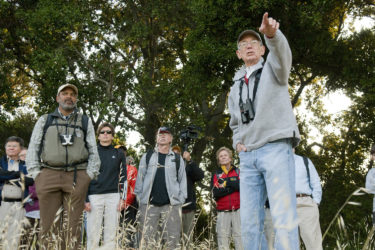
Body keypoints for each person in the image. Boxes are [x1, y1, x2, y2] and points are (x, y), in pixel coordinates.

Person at [228, 12, 300, 250]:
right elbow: (235, 122)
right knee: (249, 223)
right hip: (248, 156)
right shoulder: (235, 86)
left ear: (261, 50)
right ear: (238, 54)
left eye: (254, 43)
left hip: (275, 147)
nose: (249, 47)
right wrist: (238, 142)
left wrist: (272, 35)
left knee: (283, 217)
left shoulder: (273, 69)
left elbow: (281, 53)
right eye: (243, 45)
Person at [26, 84, 100, 249]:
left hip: (77, 176)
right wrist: (37, 175)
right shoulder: (45, 120)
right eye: (65, 93)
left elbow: (93, 150)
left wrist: (89, 175)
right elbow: (33, 148)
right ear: (58, 97)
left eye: (73, 94)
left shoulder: (85, 121)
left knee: (73, 227)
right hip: (49, 174)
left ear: (76, 99)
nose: (69, 97)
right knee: (48, 225)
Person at [134, 127, 187, 249]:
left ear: (171, 138)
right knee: (146, 242)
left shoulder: (177, 159)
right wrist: (141, 199)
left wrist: (180, 200)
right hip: (148, 206)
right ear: (156, 138)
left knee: (172, 242)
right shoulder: (147, 156)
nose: (162, 136)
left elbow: (182, 181)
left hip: (171, 206)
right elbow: (140, 180)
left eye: (166, 134)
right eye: (160, 134)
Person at [84, 122, 127, 249]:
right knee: (93, 233)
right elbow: (84, 176)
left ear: (113, 136)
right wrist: (85, 199)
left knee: (111, 233)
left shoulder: (119, 153)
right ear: (98, 136)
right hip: (94, 196)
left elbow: (123, 177)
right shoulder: (90, 153)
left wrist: (122, 199)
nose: (105, 134)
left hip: (113, 196)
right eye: (103, 132)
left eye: (108, 132)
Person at [0, 136, 33, 249]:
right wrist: (17, 175)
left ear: (20, 148)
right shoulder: (1, 162)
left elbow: (30, 180)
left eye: (14, 146)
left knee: (14, 236)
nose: (11, 148)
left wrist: (7, 177)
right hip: (2, 204)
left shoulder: (26, 164)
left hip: (19, 205)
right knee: (1, 234)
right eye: (9, 146)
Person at [211, 147, 243, 250]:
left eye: (225, 155)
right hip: (222, 212)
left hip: (238, 210)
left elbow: (242, 187)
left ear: (230, 158)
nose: (223, 157)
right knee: (223, 240)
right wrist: (233, 186)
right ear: (218, 160)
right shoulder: (216, 174)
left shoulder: (238, 171)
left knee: (240, 239)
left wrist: (226, 184)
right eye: (221, 156)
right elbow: (216, 193)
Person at [171, 145, 204, 245]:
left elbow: (200, 175)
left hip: (187, 210)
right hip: (171, 210)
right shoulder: (166, 169)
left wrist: (190, 161)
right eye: (173, 153)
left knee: (187, 241)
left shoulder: (187, 168)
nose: (176, 155)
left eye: (178, 153)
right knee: (172, 240)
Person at [294, 151, 323, 250]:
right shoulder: (276, 162)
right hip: (285, 205)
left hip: (305, 203)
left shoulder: (304, 161)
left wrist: (315, 202)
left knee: (313, 243)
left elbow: (316, 183)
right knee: (287, 245)